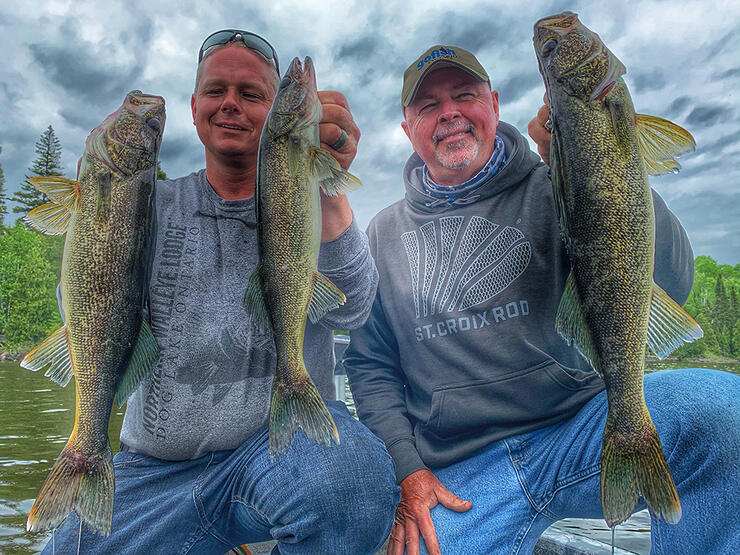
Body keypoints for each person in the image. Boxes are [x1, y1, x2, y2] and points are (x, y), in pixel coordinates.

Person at [344, 44, 740, 555]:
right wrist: (408, 469)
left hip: (585, 433)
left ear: (494, 105)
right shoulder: (380, 234)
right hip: (460, 473)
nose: (449, 114)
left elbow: (673, 280)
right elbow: (371, 368)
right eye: (428, 106)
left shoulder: (556, 183)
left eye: (465, 95)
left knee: (721, 411)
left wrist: (588, 160)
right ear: (407, 127)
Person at [44, 30, 399, 554]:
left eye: (252, 94)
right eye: (216, 91)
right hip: (156, 470)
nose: (231, 104)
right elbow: (95, 312)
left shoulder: (306, 199)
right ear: (194, 107)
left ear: (277, 108)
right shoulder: (149, 201)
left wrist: (326, 186)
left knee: (354, 489)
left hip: (283, 454)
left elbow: (356, 306)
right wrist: (100, 212)